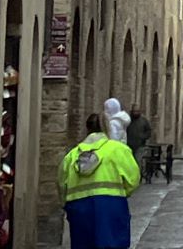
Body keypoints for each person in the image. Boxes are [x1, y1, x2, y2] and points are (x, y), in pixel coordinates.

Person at [58, 113, 140, 249]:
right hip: (111, 204)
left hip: (79, 207)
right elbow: (133, 179)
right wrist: (124, 192)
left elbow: (62, 185)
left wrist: (66, 204)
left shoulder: (72, 156)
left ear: (87, 129)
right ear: (106, 127)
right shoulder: (118, 150)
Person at [125, 105, 151, 172]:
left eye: (137, 111)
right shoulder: (128, 120)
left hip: (140, 145)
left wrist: (142, 137)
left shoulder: (144, 121)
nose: (135, 113)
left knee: (138, 160)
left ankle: (138, 175)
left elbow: (148, 131)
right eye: (134, 111)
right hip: (129, 145)